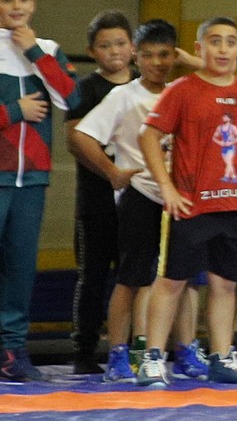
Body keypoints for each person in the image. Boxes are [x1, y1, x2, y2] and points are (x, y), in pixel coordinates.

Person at [132, 17, 237, 389]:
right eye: (215, 41)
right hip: (191, 206)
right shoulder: (183, 90)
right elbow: (149, 136)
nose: (224, 49)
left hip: (233, 206)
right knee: (172, 282)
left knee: (225, 284)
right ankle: (152, 358)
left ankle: (222, 356)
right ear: (199, 49)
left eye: (231, 41)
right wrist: (165, 186)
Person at [70, 19, 179, 384]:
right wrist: (112, 171)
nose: (157, 63)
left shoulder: (183, 91)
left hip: (177, 196)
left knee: (174, 279)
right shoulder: (123, 96)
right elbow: (82, 136)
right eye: (148, 55)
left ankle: (153, 351)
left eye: (165, 55)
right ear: (137, 55)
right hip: (139, 193)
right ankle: (117, 352)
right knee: (131, 277)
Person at [0, 0, 75, 382]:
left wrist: (33, 52)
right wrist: (15, 110)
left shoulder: (47, 50)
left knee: (21, 266)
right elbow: (20, 111)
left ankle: (12, 351)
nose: (16, 6)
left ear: (33, 4)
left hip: (32, 180)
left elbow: (71, 98)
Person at [66, 9, 135, 373]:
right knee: (92, 276)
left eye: (121, 43)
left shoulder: (144, 84)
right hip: (95, 199)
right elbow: (75, 139)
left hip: (139, 201)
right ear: (92, 51)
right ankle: (84, 352)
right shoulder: (86, 89)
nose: (114, 51)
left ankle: (132, 348)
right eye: (105, 46)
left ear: (134, 46)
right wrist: (111, 172)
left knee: (137, 276)